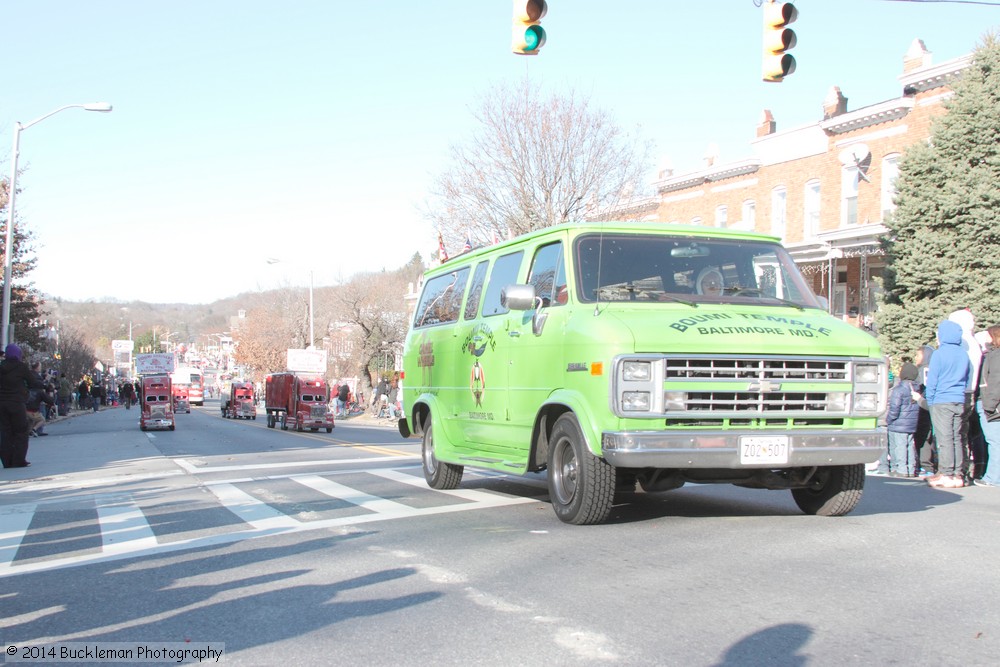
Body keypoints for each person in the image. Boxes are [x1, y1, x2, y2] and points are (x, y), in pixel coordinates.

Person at [919, 319, 972, 489]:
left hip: (942, 400)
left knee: (944, 438)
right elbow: (968, 377)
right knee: (956, 437)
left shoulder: (940, 354)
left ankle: (946, 473)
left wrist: (930, 399)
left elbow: (932, 380)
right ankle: (958, 474)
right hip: (959, 399)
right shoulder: (963, 353)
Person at [0, 344, 44, 468]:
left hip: (2, 403)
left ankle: (6, 461)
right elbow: (32, 382)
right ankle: (18, 460)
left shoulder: (1, 366)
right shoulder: (21, 367)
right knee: (21, 431)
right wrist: (43, 384)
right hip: (17, 402)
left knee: (5, 432)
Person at [975, 324, 1000, 487]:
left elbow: (995, 382)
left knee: (994, 442)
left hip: (991, 406)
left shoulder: (995, 356)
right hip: (992, 404)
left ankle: (993, 477)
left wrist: (989, 405)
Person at [886, 363, 921, 477]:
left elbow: (894, 408)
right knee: (910, 445)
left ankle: (900, 469)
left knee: (899, 446)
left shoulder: (899, 390)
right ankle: (911, 469)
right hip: (911, 423)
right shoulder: (917, 389)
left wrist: (889, 419)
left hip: (898, 424)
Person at [913, 344, 936, 476]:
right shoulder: (932, 369)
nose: (916, 358)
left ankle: (925, 465)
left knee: (923, 436)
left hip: (922, 407)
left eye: (918, 355)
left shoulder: (922, 370)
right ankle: (927, 465)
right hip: (928, 406)